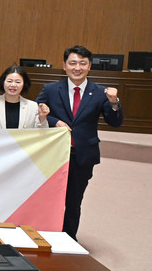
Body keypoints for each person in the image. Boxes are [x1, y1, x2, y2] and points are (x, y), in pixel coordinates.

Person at [36, 45, 123, 240]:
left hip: (82, 156)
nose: (77, 68)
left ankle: (68, 240)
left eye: (82, 63)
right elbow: (35, 111)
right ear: (64, 66)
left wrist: (114, 102)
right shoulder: (51, 89)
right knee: (48, 198)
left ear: (89, 66)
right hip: (54, 155)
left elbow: (115, 122)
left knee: (74, 202)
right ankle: (45, 236)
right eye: (73, 63)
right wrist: (54, 121)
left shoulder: (100, 92)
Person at [0, 65, 49, 129]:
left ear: (24, 84)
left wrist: (42, 118)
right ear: (3, 82)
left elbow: (41, 133)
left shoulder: (32, 106)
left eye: (18, 82)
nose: (13, 85)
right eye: (9, 81)